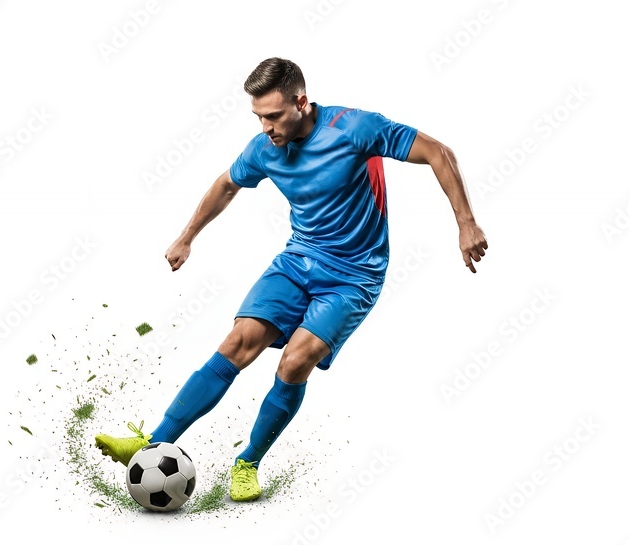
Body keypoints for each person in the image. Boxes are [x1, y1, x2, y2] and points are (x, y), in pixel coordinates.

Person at [95, 57, 488, 502]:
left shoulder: (354, 128)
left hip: (355, 276)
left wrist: (466, 224)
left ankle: (248, 463)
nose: (266, 127)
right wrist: (187, 237)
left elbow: (438, 153)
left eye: (274, 115)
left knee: (295, 362)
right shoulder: (264, 149)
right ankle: (151, 443)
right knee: (238, 342)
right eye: (258, 117)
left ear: (301, 102)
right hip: (298, 261)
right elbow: (226, 185)